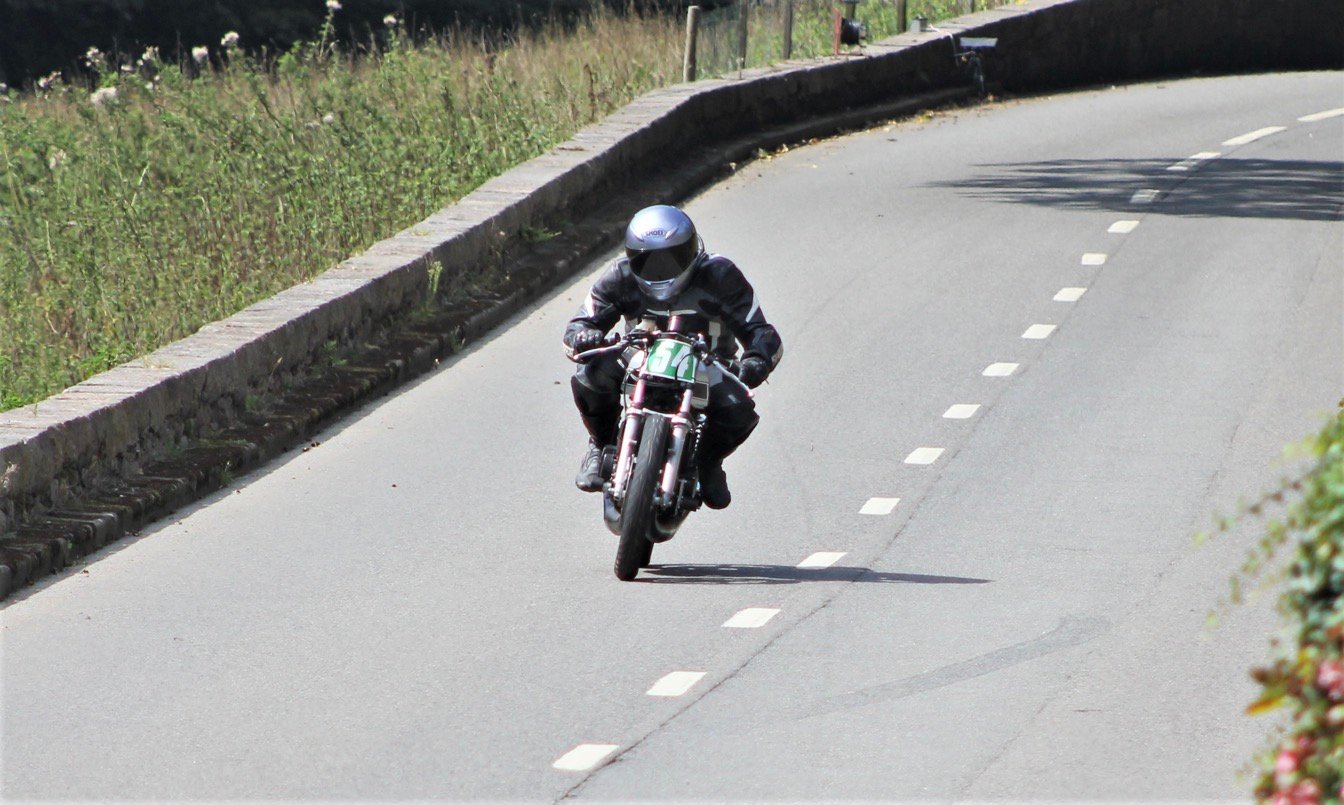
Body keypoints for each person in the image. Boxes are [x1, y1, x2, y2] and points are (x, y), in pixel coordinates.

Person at [562, 204, 783, 509]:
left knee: (739, 410)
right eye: (648, 261)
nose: (660, 270)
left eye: (671, 259)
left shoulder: (721, 275)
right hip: (639, 354)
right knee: (589, 377)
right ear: (631, 257)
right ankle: (600, 446)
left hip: (708, 362)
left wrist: (756, 361)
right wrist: (584, 336)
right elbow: (579, 324)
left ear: (691, 251)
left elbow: (761, 332)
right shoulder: (619, 276)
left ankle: (707, 462)